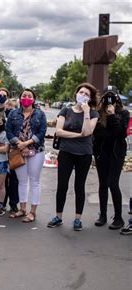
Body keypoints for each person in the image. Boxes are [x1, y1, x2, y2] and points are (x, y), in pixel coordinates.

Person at [47, 83, 99, 231]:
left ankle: (78, 219)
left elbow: (87, 131)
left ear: (90, 98)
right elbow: (59, 131)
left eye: (87, 94)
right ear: (76, 94)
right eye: (81, 92)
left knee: (79, 186)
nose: (83, 95)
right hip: (66, 152)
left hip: (84, 153)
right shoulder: (66, 110)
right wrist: (77, 135)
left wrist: (86, 112)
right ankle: (58, 216)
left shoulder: (93, 114)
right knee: (62, 185)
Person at [6, 88, 47, 223]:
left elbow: (42, 132)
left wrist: (27, 143)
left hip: (36, 151)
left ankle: (32, 212)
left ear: (33, 99)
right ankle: (22, 209)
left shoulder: (40, 114)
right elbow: (8, 131)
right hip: (18, 151)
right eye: (24, 95)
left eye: (29, 96)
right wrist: (18, 143)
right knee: (22, 181)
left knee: (34, 181)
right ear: (20, 98)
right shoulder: (13, 113)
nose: (26, 97)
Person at [93, 85, 130, 229]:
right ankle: (102, 215)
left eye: (112, 96)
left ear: (116, 97)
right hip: (102, 153)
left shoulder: (123, 113)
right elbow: (98, 134)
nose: (109, 99)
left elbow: (121, 134)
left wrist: (112, 116)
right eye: (107, 96)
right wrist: (109, 127)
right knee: (103, 184)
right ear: (102, 97)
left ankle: (118, 217)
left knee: (113, 184)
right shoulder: (97, 113)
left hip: (116, 153)